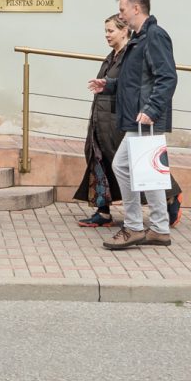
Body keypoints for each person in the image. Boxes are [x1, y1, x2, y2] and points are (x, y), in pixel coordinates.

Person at [106, 0, 178, 251]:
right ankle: (158, 228)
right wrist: (109, 85)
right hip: (140, 117)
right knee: (148, 171)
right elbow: (136, 80)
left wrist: (152, 109)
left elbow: (167, 77)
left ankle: (135, 226)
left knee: (124, 166)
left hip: (145, 118)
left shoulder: (154, 35)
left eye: (123, 9)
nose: (121, 15)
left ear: (136, 8)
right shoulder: (140, 38)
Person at [74, 13, 132, 228]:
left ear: (124, 31)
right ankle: (103, 211)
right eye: (105, 31)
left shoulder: (130, 56)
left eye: (111, 31)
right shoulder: (111, 56)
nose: (107, 35)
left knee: (130, 164)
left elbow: (130, 86)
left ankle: (171, 198)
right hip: (101, 119)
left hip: (118, 121)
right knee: (98, 160)